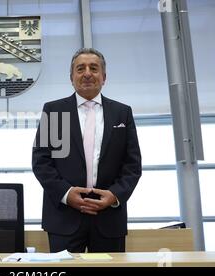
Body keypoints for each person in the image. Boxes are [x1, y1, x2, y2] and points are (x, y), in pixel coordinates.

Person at [32, 48, 142, 253]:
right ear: (71, 77)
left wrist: (114, 195)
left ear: (104, 77)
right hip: (64, 217)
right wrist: (66, 193)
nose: (87, 73)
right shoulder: (56, 111)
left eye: (94, 68)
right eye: (80, 68)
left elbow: (132, 165)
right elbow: (42, 162)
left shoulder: (122, 113)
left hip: (109, 217)